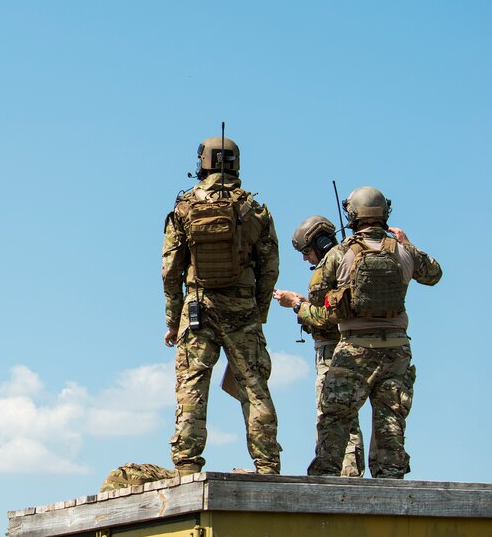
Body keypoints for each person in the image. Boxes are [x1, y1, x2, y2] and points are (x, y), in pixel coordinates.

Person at [162, 134, 281, 475]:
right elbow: (270, 268)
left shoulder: (183, 207)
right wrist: (258, 312)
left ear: (202, 162)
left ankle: (186, 466)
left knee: (192, 386)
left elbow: (170, 270)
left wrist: (172, 320)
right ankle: (267, 465)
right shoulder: (255, 209)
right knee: (254, 388)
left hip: (197, 307)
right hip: (242, 309)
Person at [307, 187, 442, 478]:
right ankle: (390, 478)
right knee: (391, 419)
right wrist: (408, 243)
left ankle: (325, 476)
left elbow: (316, 294)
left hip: (354, 348)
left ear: (353, 215)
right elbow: (434, 274)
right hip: (396, 349)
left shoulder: (341, 252)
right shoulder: (403, 252)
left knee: (335, 416)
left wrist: (340, 296)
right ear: (385, 214)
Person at [273, 215, 365, 477]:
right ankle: (352, 473)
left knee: (333, 416)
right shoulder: (352, 258)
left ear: (320, 244)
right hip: (356, 347)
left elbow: (325, 318)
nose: (305, 259)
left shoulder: (329, 267)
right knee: (349, 418)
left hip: (332, 352)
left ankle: (339, 475)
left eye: (306, 251)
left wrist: (297, 305)